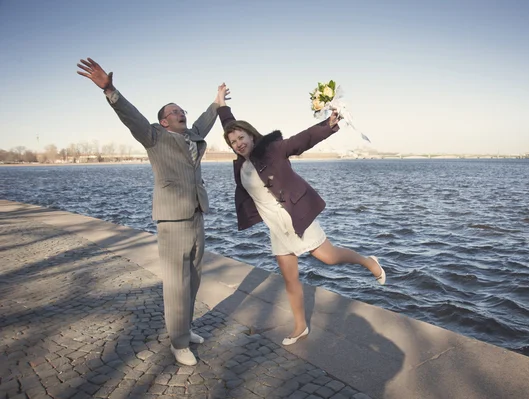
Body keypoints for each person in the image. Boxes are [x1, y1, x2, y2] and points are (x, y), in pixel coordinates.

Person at [77, 58, 229, 366]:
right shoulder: (154, 137)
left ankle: (185, 327)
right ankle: (178, 342)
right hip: (172, 222)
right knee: (176, 283)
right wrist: (110, 90)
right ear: (163, 122)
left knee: (195, 278)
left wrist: (216, 103)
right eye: (173, 112)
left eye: (181, 109)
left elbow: (202, 121)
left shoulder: (192, 136)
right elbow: (131, 117)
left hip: (197, 215)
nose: (180, 113)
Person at [215, 90, 385, 346]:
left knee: (328, 257)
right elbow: (229, 124)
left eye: (242, 137)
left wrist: (328, 124)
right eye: (233, 142)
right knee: (290, 279)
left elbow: (302, 140)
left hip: (296, 216)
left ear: (251, 135)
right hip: (277, 228)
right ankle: (300, 327)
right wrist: (221, 105)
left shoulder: (271, 150)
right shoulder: (242, 164)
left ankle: (368, 262)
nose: (238, 143)